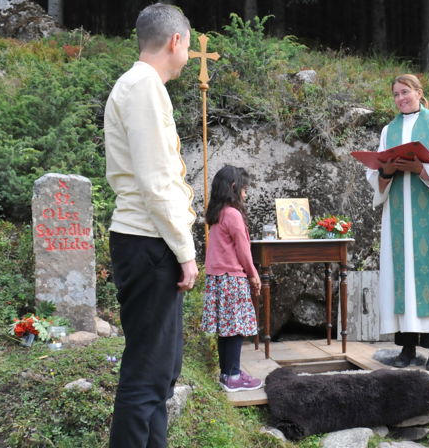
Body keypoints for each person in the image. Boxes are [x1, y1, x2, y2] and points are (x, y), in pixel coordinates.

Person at [103, 4, 198, 446]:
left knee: (160, 374)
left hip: (146, 239)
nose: (191, 52)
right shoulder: (143, 87)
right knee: (147, 375)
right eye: (190, 43)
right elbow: (157, 180)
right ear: (176, 41)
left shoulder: (142, 85)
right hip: (149, 241)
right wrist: (186, 251)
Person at [366, 74, 429, 371]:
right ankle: (407, 349)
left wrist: (422, 168)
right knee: (401, 276)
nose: (400, 98)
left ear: (419, 93)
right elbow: (376, 171)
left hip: (428, 213)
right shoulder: (389, 130)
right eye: (395, 94)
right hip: (397, 213)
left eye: (405, 92)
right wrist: (384, 172)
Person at [200, 165, 263, 391]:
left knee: (225, 328)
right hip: (232, 278)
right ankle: (234, 375)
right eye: (245, 189)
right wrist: (253, 275)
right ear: (235, 187)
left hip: (217, 278)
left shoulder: (217, 214)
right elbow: (243, 251)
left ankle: (227, 374)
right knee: (235, 328)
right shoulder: (233, 214)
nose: (246, 195)